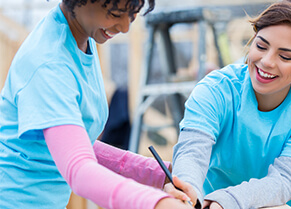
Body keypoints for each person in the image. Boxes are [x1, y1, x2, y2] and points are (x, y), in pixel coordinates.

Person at [0, 0, 195, 208]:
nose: (125, 27)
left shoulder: (81, 37)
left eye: (133, 14)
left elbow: (76, 145)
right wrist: (158, 204)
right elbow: (79, 169)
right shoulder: (48, 66)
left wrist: (160, 174)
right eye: (115, 13)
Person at [168, 0, 291, 208]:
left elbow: (285, 179)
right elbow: (192, 153)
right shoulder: (215, 90)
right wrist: (186, 191)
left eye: (285, 56)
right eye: (260, 46)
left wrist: (228, 201)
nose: (267, 61)